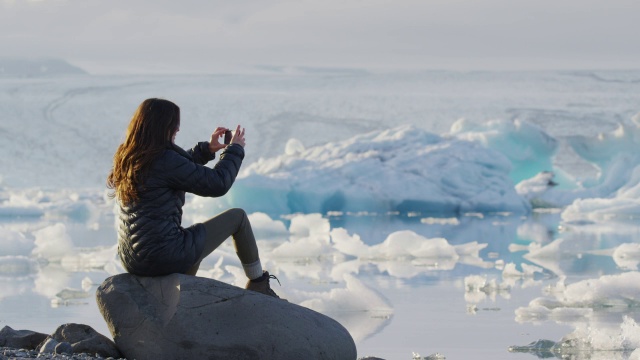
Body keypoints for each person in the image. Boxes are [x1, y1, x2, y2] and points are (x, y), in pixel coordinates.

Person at [107, 98, 280, 298]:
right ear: (163, 126)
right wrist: (235, 149)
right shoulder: (163, 159)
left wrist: (206, 150)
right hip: (162, 256)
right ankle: (258, 284)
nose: (178, 130)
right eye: (174, 125)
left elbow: (174, 169)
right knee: (237, 218)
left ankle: (181, 300)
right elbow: (217, 183)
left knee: (193, 240)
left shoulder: (128, 156)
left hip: (132, 259)